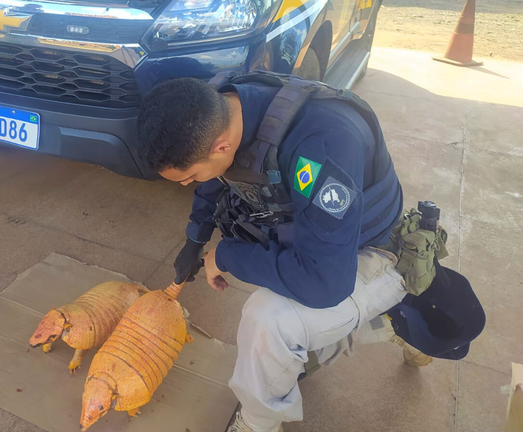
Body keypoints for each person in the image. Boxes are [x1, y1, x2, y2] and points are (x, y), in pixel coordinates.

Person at [135, 73, 411, 432]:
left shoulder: (322, 147)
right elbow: (217, 180)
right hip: (318, 239)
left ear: (220, 146)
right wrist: (195, 239)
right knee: (277, 293)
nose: (188, 185)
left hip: (370, 250)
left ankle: (257, 423)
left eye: (188, 176)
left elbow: (325, 283)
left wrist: (227, 255)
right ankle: (312, 347)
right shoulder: (223, 105)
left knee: (267, 321)